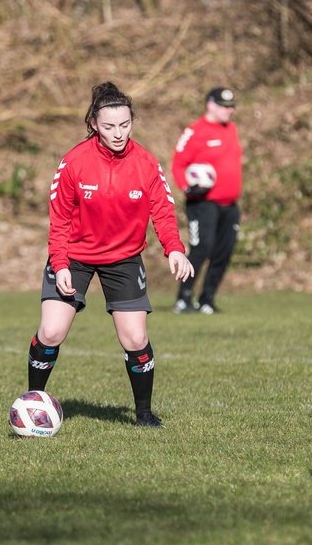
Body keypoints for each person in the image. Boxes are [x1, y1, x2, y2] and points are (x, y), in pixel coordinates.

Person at [25, 82, 194, 427]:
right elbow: (58, 220)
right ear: (93, 124)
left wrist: (174, 249)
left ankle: (144, 414)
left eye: (125, 125)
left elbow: (162, 210)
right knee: (52, 331)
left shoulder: (146, 164)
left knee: (135, 338)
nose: (118, 133)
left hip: (124, 257)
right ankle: (32, 403)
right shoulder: (74, 162)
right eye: (108, 126)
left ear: (132, 122)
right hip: (74, 255)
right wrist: (60, 264)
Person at [171, 86, 242, 314]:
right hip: (203, 203)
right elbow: (178, 164)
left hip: (230, 205)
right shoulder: (195, 131)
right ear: (210, 104)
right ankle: (184, 298)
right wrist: (187, 187)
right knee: (202, 248)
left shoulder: (231, 129)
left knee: (224, 251)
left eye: (231, 107)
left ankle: (207, 299)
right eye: (224, 106)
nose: (228, 111)